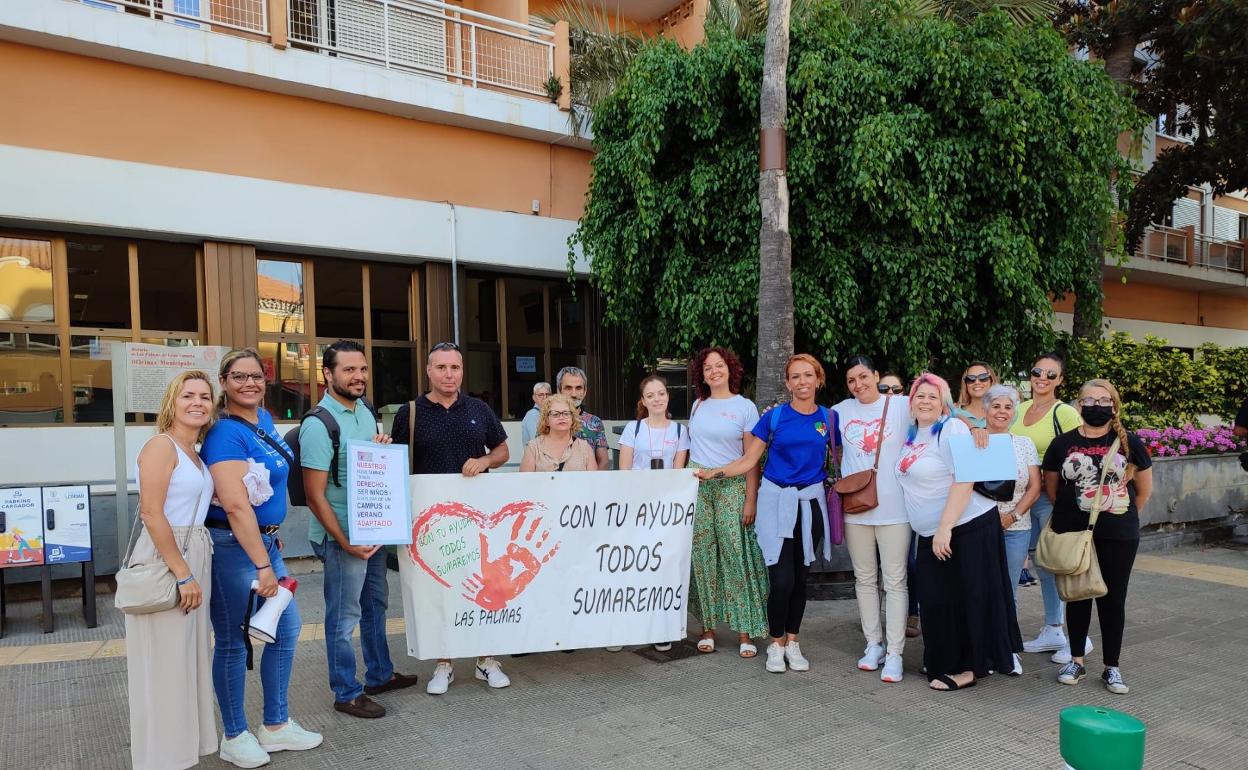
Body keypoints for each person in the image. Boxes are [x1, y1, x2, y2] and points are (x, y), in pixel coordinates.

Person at [202, 349, 322, 768]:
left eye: (256, 375)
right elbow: (235, 506)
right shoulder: (223, 434)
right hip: (235, 550)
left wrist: (269, 538)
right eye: (239, 376)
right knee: (234, 641)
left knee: (286, 631)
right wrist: (262, 563)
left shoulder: (264, 421)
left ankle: (275, 725)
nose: (250, 383)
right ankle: (234, 734)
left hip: (262, 545)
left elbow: (262, 490)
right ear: (224, 381)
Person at [301, 340, 419, 720]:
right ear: (328, 374)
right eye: (349, 369)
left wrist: (381, 446)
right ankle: (346, 691)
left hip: (371, 531)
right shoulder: (319, 425)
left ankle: (380, 674)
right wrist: (344, 541)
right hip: (342, 539)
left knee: (376, 606)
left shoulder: (366, 410)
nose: (359, 376)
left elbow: (369, 462)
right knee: (343, 616)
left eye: (363, 369)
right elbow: (314, 495)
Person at [695, 354, 832, 673]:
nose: (802, 382)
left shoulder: (829, 418)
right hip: (775, 504)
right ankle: (776, 643)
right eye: (795, 376)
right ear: (787, 383)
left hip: (810, 506)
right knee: (781, 580)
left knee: (801, 579)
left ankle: (794, 643)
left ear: (818, 379)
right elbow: (748, 460)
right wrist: (713, 473)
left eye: (807, 375)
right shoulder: (773, 418)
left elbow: (843, 455)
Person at [390, 341, 511, 694]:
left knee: (483, 586)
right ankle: (444, 663)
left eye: (454, 368)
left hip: (478, 520)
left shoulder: (478, 408)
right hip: (430, 522)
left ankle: (486, 659)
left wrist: (486, 461)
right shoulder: (409, 413)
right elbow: (397, 460)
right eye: (441, 367)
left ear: (462, 371)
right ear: (428, 371)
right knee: (439, 591)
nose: (448, 374)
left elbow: (502, 449)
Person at [895, 373, 1023, 691]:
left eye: (933, 397)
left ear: (944, 404)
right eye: (919, 396)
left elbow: (965, 479)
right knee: (937, 601)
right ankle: (943, 661)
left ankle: (969, 668)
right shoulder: (912, 434)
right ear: (910, 403)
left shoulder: (950, 428)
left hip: (965, 527)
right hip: (931, 531)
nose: (925, 401)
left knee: (969, 599)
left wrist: (944, 528)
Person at [126, 371, 216, 770]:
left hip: (194, 549)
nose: (197, 402)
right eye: (188, 395)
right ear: (172, 402)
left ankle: (181, 750)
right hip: (171, 556)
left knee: (186, 659)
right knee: (164, 662)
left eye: (205, 396)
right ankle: (161, 758)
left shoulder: (194, 450)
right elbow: (150, 512)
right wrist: (182, 573)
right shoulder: (160, 447)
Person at [1045, 379, 1152, 694]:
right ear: (1078, 405)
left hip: (1118, 533)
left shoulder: (1131, 442)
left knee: (1113, 597)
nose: (1096, 405)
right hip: (1074, 532)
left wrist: (1117, 514)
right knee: (1077, 594)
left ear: (1114, 406)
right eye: (1089, 400)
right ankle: (1076, 659)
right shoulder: (1061, 444)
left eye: (1103, 400)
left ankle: (1111, 666)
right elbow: (1053, 488)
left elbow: (1143, 492)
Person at [686, 346, 770, 657]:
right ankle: (707, 628)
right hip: (699, 486)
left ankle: (744, 631)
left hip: (732, 486)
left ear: (729, 368)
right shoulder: (697, 405)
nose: (714, 371)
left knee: (737, 554)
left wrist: (751, 499)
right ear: (702, 374)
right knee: (703, 555)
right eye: (708, 368)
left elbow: (752, 459)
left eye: (718, 365)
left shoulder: (745, 407)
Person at [833, 355, 911, 683]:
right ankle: (873, 644)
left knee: (894, 581)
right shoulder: (839, 411)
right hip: (857, 508)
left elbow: (943, 414)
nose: (858, 385)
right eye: (852, 380)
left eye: (864, 377)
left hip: (896, 508)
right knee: (864, 579)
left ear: (877, 375)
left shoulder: (902, 405)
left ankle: (895, 652)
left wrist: (976, 428)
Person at [1012, 351, 1085, 664]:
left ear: (1060, 380)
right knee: (1040, 564)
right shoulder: (1019, 409)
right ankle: (1054, 628)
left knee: (1061, 562)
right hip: (1021, 498)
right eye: (1037, 371)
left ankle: (1079, 638)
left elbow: (1080, 454)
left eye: (1050, 374)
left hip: (1051, 498)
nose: (1042, 378)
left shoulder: (1065, 413)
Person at [983, 385, 1042, 614]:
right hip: (981, 525)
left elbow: (1035, 486)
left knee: (1009, 589)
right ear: (986, 410)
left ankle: (1009, 646)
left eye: (1008, 407)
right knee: (982, 587)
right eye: (996, 406)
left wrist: (1013, 516)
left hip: (1017, 526)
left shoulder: (1024, 444)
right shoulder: (973, 440)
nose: (1002, 411)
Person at [618, 374, 690, 472]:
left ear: (668, 396)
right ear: (643, 401)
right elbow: (624, 470)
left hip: (668, 486)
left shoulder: (679, 430)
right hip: (637, 486)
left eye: (661, 394)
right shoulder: (632, 429)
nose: (657, 399)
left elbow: (678, 472)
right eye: (650, 396)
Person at [519, 393, 597, 472]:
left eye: (566, 413)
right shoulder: (534, 447)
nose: (561, 417)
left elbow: (594, 482)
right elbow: (525, 482)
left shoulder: (584, 448)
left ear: (572, 419)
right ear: (546, 420)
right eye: (555, 414)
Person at [557, 366, 610, 470]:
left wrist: (597, 484)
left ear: (585, 391)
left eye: (578, 388)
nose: (574, 394)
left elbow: (603, 461)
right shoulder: (548, 421)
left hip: (588, 483)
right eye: (568, 388)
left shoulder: (595, 422)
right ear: (559, 390)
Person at [952, 362, 998, 429]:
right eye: (970, 379)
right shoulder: (953, 412)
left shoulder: (1004, 413)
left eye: (983, 377)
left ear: (991, 381)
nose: (977, 382)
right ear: (966, 384)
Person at [521, 381, 552, 446]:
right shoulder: (532, 414)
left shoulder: (549, 413)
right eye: (541, 395)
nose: (545, 397)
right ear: (534, 398)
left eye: (547, 394)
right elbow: (537, 440)